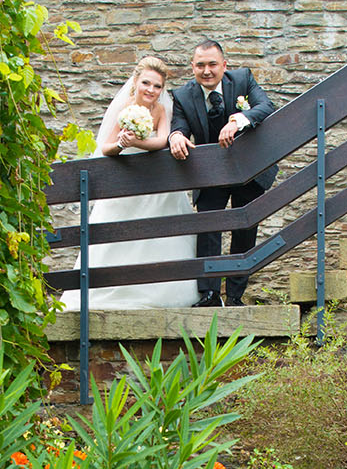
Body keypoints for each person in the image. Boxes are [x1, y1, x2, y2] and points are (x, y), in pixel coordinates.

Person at [60, 56, 199, 310]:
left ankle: (159, 292)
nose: (151, 90)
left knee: (161, 235)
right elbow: (107, 147)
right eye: (146, 83)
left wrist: (136, 142)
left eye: (157, 86)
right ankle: (107, 290)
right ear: (136, 82)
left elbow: (161, 141)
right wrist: (123, 144)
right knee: (114, 233)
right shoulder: (123, 106)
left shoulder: (161, 110)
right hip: (124, 179)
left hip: (154, 180)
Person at [168, 39, 276, 306]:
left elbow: (265, 107)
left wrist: (238, 120)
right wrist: (176, 136)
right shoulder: (182, 95)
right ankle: (210, 294)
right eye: (200, 65)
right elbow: (178, 125)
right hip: (210, 172)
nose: (207, 71)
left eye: (213, 64)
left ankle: (236, 295)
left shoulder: (242, 80)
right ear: (192, 67)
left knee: (245, 230)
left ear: (224, 65)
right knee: (208, 230)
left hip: (248, 169)